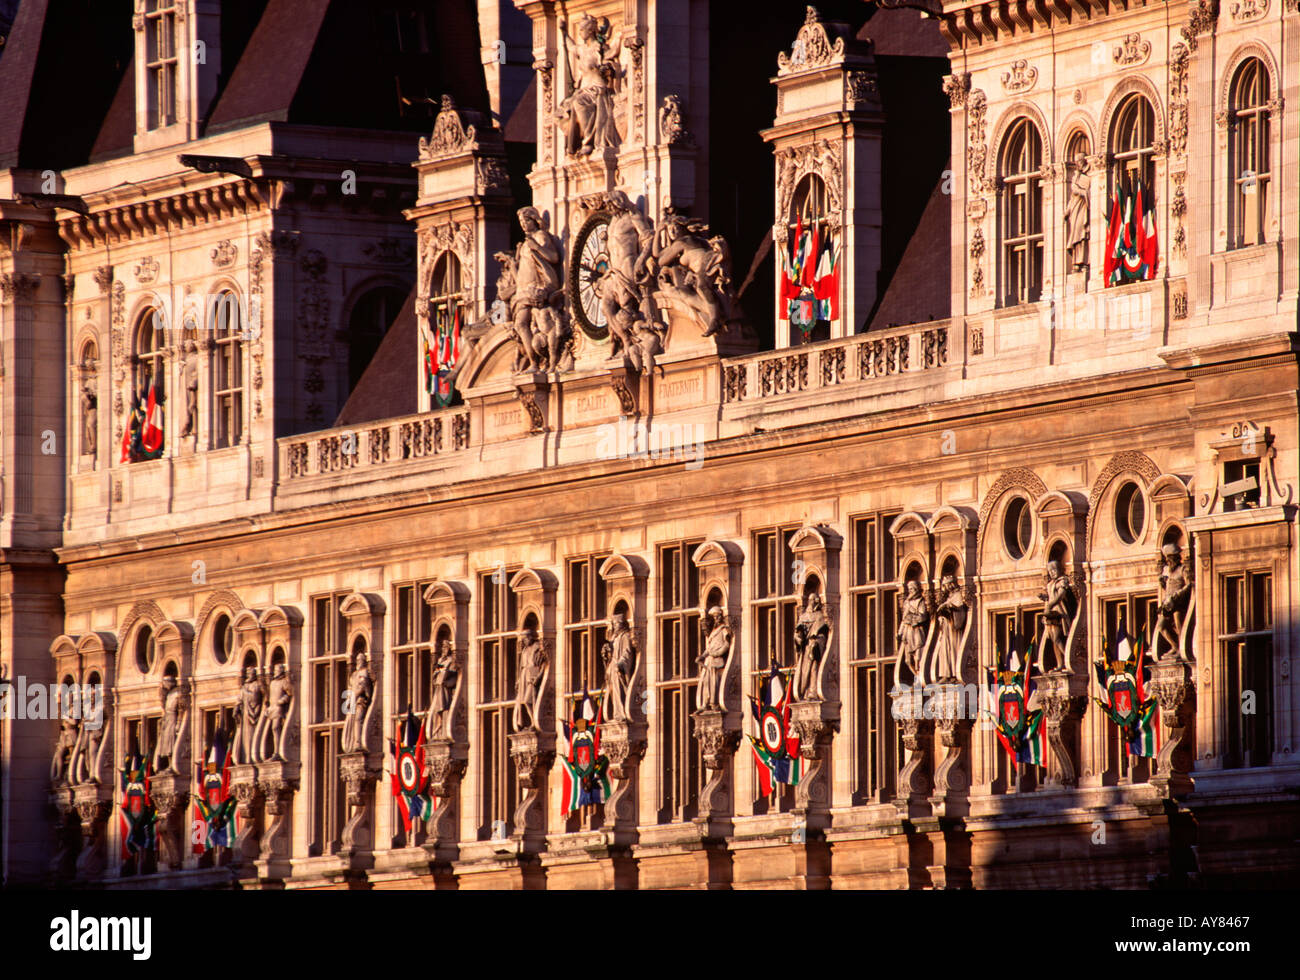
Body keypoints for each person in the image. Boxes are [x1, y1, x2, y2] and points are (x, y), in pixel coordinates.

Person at [559, 14, 622, 156]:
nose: (580, 32)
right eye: (580, 30)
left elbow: (612, 52)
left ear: (590, 31)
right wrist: (563, 32)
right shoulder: (581, 49)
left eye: (582, 30)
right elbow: (571, 47)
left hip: (596, 88)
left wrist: (618, 36)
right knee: (562, 110)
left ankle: (587, 142)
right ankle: (573, 144)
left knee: (579, 103)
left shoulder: (599, 48)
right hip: (584, 89)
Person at [1155, 543, 1193, 660]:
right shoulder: (1168, 571)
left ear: (1175, 558)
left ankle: (1181, 648)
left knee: (1179, 624)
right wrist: (1162, 583)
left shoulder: (1183, 569)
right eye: (1166, 558)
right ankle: (1175, 646)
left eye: (1169, 558)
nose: (1168, 561)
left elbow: (1188, 585)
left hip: (1178, 603)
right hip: (1167, 603)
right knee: (1161, 627)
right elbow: (1167, 587)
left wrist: (1176, 596)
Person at [793, 592, 830, 701]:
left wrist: (817, 643)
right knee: (804, 672)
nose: (811, 602)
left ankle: (812, 692)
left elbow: (823, 635)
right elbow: (797, 633)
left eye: (813, 600)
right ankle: (804, 691)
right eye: (810, 600)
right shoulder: (803, 616)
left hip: (814, 647)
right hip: (805, 647)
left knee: (814, 669)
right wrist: (798, 637)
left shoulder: (820, 616)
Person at [932, 574, 968, 682]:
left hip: (954, 629)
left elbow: (960, 611)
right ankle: (946, 674)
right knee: (944, 650)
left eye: (947, 585)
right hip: (947, 627)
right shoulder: (950, 597)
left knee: (953, 649)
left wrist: (950, 609)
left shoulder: (958, 595)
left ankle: (954, 673)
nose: (945, 588)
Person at [601, 612, 636, 721]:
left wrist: (621, 664)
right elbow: (609, 655)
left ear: (621, 624)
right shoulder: (613, 638)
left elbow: (627, 652)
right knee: (613, 691)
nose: (614, 626)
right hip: (611, 668)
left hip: (618, 668)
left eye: (616, 624)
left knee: (619, 690)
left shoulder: (625, 636)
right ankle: (616, 713)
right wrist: (606, 651)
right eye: (613, 624)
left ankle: (620, 713)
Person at [513, 627, 548, 730]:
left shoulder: (537, 648)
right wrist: (519, 680)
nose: (524, 641)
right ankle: (531, 722)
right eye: (523, 639)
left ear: (530, 637)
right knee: (523, 701)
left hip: (532, 676)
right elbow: (522, 666)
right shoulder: (524, 650)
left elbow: (544, 664)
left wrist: (539, 676)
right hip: (524, 677)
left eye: (525, 638)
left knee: (529, 700)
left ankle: (534, 722)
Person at [697, 607, 731, 710]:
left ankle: (714, 703)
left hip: (717, 661)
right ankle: (705, 703)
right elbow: (709, 648)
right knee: (706, 682)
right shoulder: (713, 631)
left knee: (714, 682)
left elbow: (726, 645)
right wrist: (702, 656)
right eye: (714, 617)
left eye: (717, 616)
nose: (716, 619)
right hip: (709, 661)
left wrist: (717, 653)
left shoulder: (724, 629)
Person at [896, 580, 928, 679]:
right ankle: (917, 676)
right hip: (908, 632)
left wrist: (913, 616)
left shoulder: (921, 601)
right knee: (908, 661)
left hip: (917, 631)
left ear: (916, 589)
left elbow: (923, 616)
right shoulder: (906, 602)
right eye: (909, 589)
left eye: (912, 589)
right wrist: (900, 632)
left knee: (918, 656)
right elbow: (904, 619)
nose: (910, 591)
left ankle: (919, 674)